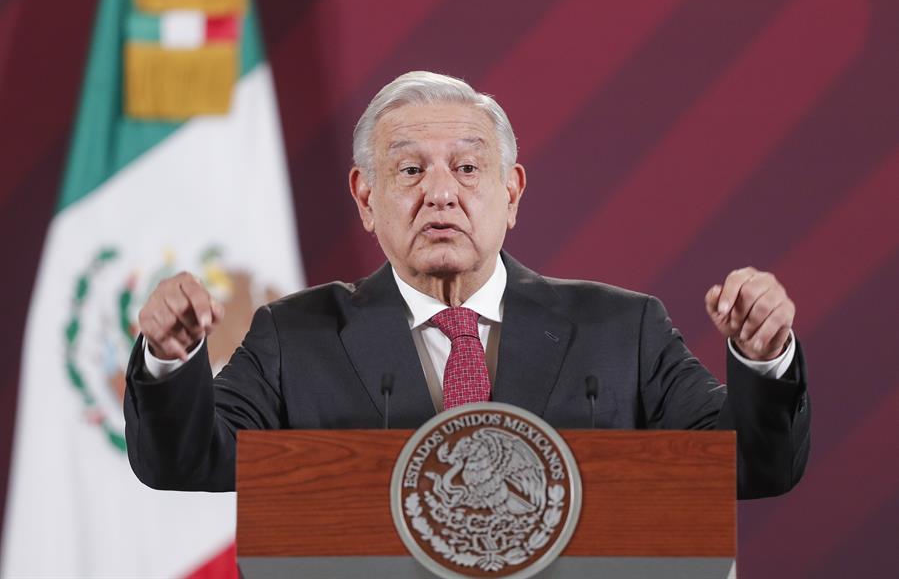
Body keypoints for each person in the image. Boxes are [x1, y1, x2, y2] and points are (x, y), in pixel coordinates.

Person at [125, 71, 809, 499]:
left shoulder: (619, 331)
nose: (441, 194)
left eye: (467, 168)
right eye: (410, 171)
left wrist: (762, 357)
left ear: (511, 192)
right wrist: (169, 360)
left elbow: (748, 468)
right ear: (366, 198)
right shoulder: (294, 338)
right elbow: (184, 461)